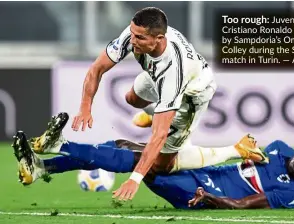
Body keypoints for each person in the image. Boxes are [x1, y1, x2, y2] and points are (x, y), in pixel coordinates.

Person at [37, 7, 269, 201]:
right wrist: (85, 107)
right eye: (133, 33)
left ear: (159, 39)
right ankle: (155, 113)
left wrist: (135, 178)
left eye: (139, 38)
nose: (132, 40)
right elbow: (97, 68)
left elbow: (157, 137)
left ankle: (238, 149)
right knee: (132, 98)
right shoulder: (134, 34)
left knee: (163, 165)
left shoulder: (173, 74)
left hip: (193, 93)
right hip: (154, 73)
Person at [14, 113, 294, 209]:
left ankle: (59, 145)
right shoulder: (279, 147)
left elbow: (247, 203)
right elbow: (250, 154)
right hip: (202, 170)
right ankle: (43, 168)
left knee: (145, 160)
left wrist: (212, 199)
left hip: (197, 193)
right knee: (123, 144)